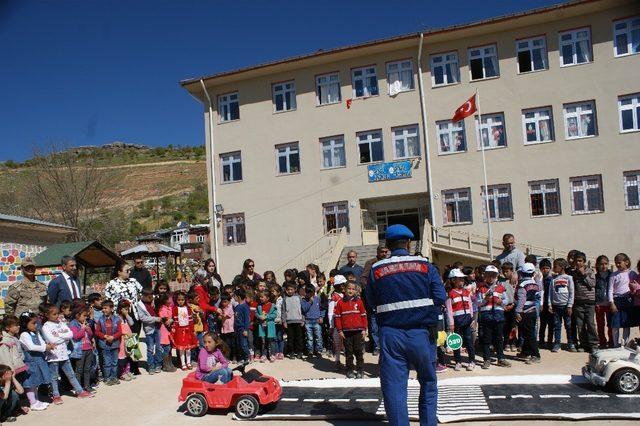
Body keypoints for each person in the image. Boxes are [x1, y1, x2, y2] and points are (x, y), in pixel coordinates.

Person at [366, 224, 446, 426]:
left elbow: (371, 302)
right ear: (409, 243)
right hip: (422, 334)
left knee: (394, 389)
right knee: (428, 382)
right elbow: (440, 297)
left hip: (391, 335)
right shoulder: (426, 266)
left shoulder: (376, 269)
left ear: (388, 245)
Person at [41, 304, 93, 402]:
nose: (57, 316)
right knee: (54, 377)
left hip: (64, 354)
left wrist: (59, 335)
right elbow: (52, 340)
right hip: (53, 356)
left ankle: (80, 391)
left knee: (71, 374)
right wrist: (64, 337)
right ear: (47, 315)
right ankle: (56, 395)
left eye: (57, 313)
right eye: (54, 314)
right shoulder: (46, 326)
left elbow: (70, 334)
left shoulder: (60, 323)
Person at [104, 261, 143, 375]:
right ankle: (122, 367)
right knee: (122, 341)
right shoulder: (111, 284)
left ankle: (134, 366)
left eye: (130, 270)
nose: (129, 272)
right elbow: (108, 300)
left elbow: (142, 293)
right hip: (119, 316)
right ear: (119, 272)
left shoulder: (133, 281)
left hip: (133, 314)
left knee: (133, 339)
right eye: (127, 270)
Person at [477, 265, 511, 370]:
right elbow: (478, 303)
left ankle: (501, 358)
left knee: (499, 339)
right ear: (485, 275)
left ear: (496, 276)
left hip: (498, 316)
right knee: (486, 339)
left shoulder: (500, 287)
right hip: (486, 317)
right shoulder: (481, 288)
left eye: (493, 275)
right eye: (489, 275)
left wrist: (502, 302)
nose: (491, 277)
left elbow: (507, 300)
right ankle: (486, 359)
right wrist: (485, 299)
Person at [18, 312, 52, 411]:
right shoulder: (24, 334)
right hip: (31, 362)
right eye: (33, 323)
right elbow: (30, 347)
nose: (36, 325)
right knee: (31, 383)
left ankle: (37, 400)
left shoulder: (35, 332)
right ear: (25, 324)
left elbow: (41, 342)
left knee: (36, 382)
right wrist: (45, 347)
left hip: (39, 361)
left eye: (36, 323)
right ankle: (32, 402)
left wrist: (46, 346)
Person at [334, 281, 367, 379]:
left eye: (353, 289)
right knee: (348, 352)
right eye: (349, 288)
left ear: (356, 290)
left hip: (358, 331)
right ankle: (349, 370)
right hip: (346, 332)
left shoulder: (359, 302)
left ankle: (360, 370)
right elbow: (338, 317)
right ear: (344, 289)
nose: (351, 291)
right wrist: (340, 330)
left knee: (358, 351)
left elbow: (364, 316)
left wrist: (364, 329)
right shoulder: (340, 302)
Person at [445, 269, 475, 371]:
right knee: (456, 342)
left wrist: (472, 317)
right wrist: (451, 323)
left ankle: (472, 361)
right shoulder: (450, 293)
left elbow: (470, 305)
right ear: (453, 280)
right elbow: (449, 310)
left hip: (467, 320)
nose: (462, 281)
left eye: (463, 279)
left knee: (468, 340)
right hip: (457, 321)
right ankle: (458, 361)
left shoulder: (466, 292)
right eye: (460, 279)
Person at [361, 245, 388, 355]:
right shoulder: (371, 263)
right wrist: (372, 291)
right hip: (374, 300)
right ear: (377, 252)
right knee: (374, 325)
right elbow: (363, 279)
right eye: (382, 252)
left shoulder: (389, 262)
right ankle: (376, 346)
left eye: (386, 252)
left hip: (386, 299)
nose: (384, 254)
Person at [570, 251, 598, 353]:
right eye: (577, 261)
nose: (578, 263)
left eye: (580, 261)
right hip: (578, 302)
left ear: (584, 261)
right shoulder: (573, 273)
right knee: (580, 324)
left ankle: (594, 344)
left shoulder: (590, 271)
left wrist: (583, 274)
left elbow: (592, 284)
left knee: (590, 323)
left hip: (589, 302)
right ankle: (583, 344)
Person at [514, 263, 542, 364]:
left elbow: (521, 299)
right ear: (533, 273)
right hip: (533, 310)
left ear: (521, 273)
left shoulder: (522, 285)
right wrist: (538, 278)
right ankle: (526, 352)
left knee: (529, 334)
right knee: (527, 332)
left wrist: (518, 311)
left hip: (525, 311)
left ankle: (536, 354)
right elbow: (540, 289)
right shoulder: (535, 284)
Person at [608, 253, 638, 348]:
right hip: (617, 300)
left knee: (626, 324)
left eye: (619, 262)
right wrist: (611, 302)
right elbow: (610, 289)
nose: (617, 265)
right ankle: (615, 345)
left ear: (626, 262)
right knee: (615, 324)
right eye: (616, 263)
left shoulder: (632, 274)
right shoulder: (614, 275)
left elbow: (635, 286)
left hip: (628, 300)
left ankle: (624, 345)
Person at [548, 259, 575, 352]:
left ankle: (570, 343)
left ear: (562, 267)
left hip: (566, 306)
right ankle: (557, 343)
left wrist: (570, 306)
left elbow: (572, 292)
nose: (553, 268)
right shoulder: (553, 279)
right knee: (557, 325)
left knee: (568, 325)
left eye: (555, 266)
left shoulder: (569, 278)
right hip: (556, 306)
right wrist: (549, 304)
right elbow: (550, 293)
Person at [94, 300, 123, 385]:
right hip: (104, 344)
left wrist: (113, 337)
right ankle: (107, 378)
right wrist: (105, 336)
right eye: (103, 308)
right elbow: (97, 332)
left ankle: (114, 377)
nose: (104, 310)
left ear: (111, 309)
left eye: (106, 308)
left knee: (114, 362)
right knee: (107, 362)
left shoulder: (117, 319)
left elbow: (119, 331)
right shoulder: (100, 319)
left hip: (114, 344)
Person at [68, 305, 95, 392]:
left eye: (86, 316)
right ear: (77, 315)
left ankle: (87, 386)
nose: (85, 317)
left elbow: (90, 335)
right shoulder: (73, 324)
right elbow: (75, 336)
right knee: (79, 370)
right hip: (80, 350)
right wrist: (83, 329)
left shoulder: (85, 323)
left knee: (87, 369)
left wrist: (88, 329)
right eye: (84, 315)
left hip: (88, 348)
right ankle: (78, 387)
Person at [137, 289, 163, 374]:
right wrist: (155, 319)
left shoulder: (154, 301)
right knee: (150, 348)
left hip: (158, 327)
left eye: (152, 296)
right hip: (149, 329)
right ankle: (151, 366)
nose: (151, 298)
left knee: (159, 347)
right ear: (143, 296)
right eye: (149, 297)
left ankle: (158, 364)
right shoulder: (140, 305)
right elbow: (143, 318)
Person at [171, 291, 198, 370]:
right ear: (176, 300)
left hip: (188, 330)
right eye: (179, 300)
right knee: (182, 348)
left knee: (188, 348)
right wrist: (174, 329)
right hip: (179, 330)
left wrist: (192, 330)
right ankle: (183, 363)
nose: (180, 301)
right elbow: (175, 320)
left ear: (185, 300)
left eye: (182, 300)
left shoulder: (188, 308)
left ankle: (188, 362)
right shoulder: (175, 308)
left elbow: (190, 320)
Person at [282, 282, 304, 359]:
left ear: (295, 289)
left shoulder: (299, 298)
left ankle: (299, 351)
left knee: (299, 338)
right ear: (286, 290)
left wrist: (303, 320)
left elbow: (302, 309)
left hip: (298, 321)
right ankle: (291, 352)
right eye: (288, 290)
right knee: (290, 338)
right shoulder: (285, 299)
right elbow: (283, 311)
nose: (290, 291)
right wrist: (284, 321)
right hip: (289, 322)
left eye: (292, 289)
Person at [594, 255, 613, 348]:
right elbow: (593, 290)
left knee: (611, 324)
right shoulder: (596, 277)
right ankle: (602, 342)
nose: (604, 266)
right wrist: (595, 302)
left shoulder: (612, 275)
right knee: (600, 324)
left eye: (606, 264)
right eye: (601, 264)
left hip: (610, 303)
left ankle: (612, 341)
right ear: (597, 265)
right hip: (599, 303)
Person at [301, 284, 325, 358]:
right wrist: (309, 302)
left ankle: (318, 351)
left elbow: (322, 308)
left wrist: (321, 316)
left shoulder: (318, 299)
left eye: (312, 293)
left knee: (318, 337)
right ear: (306, 293)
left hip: (317, 321)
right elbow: (304, 310)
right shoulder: (304, 300)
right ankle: (310, 351)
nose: (310, 295)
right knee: (309, 338)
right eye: (308, 293)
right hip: (308, 322)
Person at [328, 275, 346, 371]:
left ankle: (348, 361)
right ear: (336, 286)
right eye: (340, 284)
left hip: (346, 323)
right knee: (338, 344)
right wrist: (331, 325)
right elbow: (330, 312)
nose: (342, 286)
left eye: (343, 284)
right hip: (336, 324)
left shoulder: (347, 294)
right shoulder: (334, 297)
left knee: (347, 344)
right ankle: (337, 361)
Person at [256, 291, 277, 362]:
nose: (260, 298)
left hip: (270, 326)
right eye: (260, 297)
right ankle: (264, 355)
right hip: (262, 326)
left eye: (262, 297)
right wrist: (259, 317)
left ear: (267, 298)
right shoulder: (259, 306)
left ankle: (272, 355)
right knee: (263, 341)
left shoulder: (272, 305)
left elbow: (274, 315)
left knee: (271, 341)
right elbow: (256, 313)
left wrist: (266, 317)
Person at [538, 259, 554, 349]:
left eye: (547, 268)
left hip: (550, 305)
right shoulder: (539, 279)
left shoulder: (552, 280)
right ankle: (541, 341)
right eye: (543, 268)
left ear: (550, 269)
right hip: (542, 305)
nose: (545, 270)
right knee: (543, 324)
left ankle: (550, 341)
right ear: (540, 269)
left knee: (551, 324)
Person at [233, 289, 251, 363]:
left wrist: (246, 330)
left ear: (239, 297)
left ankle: (248, 357)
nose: (234, 298)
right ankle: (243, 358)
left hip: (243, 329)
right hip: (237, 329)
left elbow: (247, 319)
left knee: (244, 344)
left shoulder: (245, 306)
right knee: (239, 344)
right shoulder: (237, 306)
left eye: (235, 296)